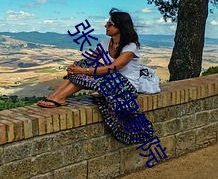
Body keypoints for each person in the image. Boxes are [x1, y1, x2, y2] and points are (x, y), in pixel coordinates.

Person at [37, 8, 153, 144]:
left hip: (126, 88)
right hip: (112, 82)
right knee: (83, 64)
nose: (106, 26)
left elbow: (112, 68)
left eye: (110, 24)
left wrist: (83, 70)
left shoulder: (130, 46)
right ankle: (55, 96)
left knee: (85, 70)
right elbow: (91, 60)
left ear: (120, 27)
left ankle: (60, 97)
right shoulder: (105, 43)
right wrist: (75, 68)